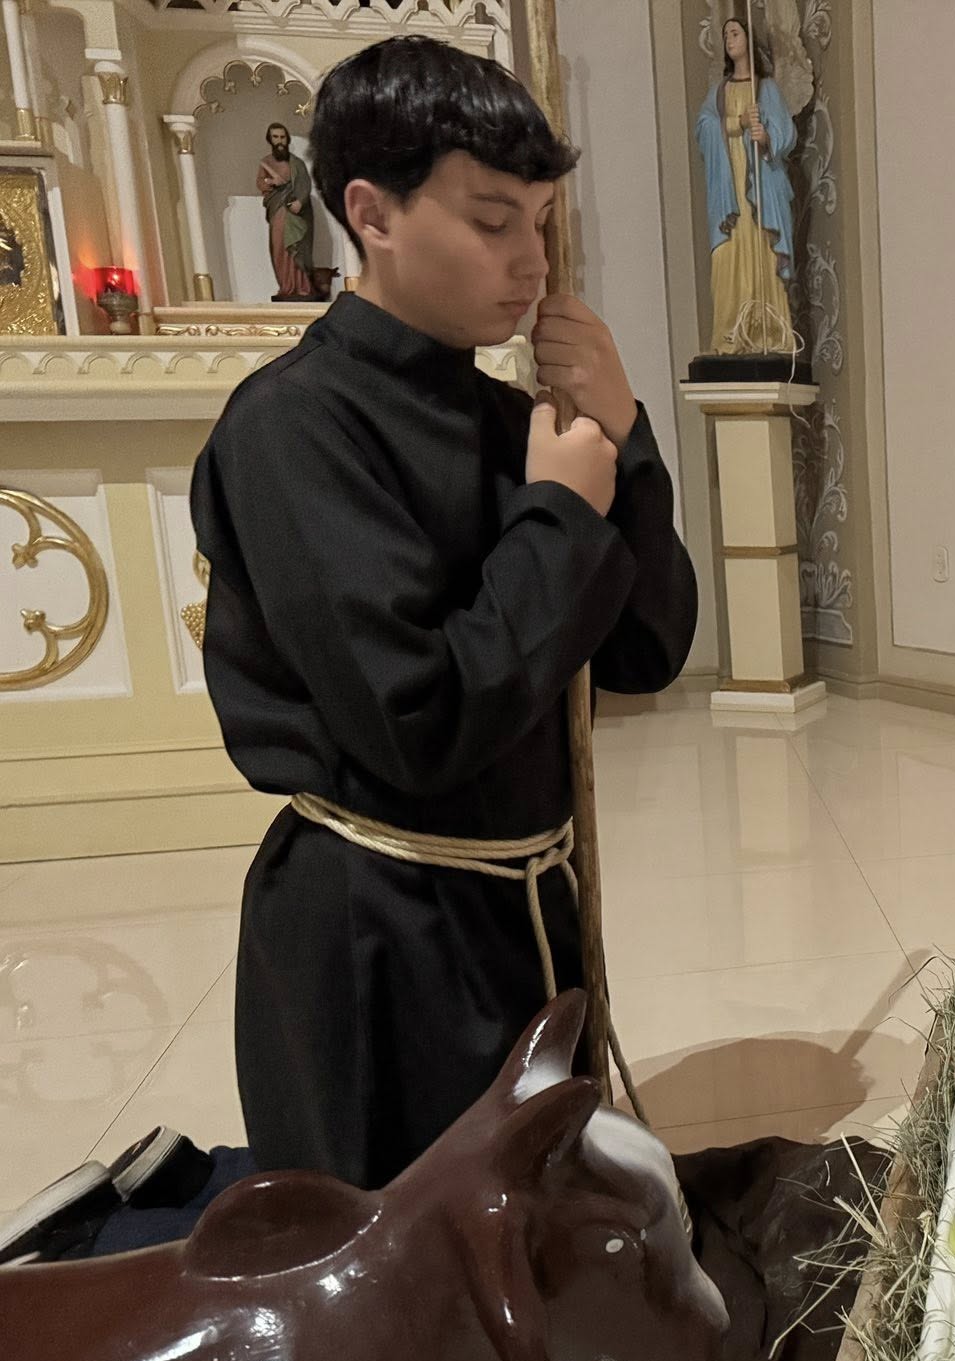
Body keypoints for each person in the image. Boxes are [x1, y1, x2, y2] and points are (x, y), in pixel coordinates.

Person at [191, 38, 698, 1190]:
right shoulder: (294, 429)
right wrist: (558, 519)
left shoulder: (514, 417)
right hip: (385, 930)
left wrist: (626, 442)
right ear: (371, 213)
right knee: (409, 1254)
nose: (531, 262)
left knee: (532, 1221)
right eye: (492, 221)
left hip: (524, 907)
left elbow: (646, 650)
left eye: (542, 223)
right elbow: (416, 725)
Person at [694, 15, 797, 354]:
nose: (730, 39)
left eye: (735, 33)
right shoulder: (719, 92)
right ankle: (729, 335)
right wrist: (734, 123)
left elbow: (786, 133)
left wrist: (765, 136)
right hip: (730, 189)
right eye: (726, 35)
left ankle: (769, 333)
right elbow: (703, 128)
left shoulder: (766, 90)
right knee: (728, 257)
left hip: (760, 189)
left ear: (749, 40)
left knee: (762, 253)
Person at [257, 122, 316, 301]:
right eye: (276, 137)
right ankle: (286, 286)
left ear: (287, 139)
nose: (280, 141)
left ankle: (302, 287)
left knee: (298, 246)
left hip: (295, 212)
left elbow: (305, 185)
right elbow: (260, 182)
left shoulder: (297, 163)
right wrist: (270, 182)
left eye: (282, 137)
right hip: (277, 209)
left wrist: (300, 201)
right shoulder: (266, 163)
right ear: (270, 139)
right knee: (279, 247)